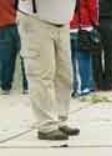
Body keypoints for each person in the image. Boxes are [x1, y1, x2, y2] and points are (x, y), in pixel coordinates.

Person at [16, 0, 81, 140]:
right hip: (36, 21)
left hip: (62, 23)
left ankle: (59, 119)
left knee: (64, 75)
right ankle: (46, 125)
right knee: (41, 75)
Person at [70, 0, 98, 97]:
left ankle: (73, 87)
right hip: (83, 25)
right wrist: (95, 22)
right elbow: (93, 6)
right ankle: (84, 87)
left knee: (70, 59)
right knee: (84, 57)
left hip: (66, 25)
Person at [93, 0, 112, 91]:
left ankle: (98, 83)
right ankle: (109, 83)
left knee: (95, 53)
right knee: (110, 53)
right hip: (108, 17)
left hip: (93, 17)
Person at [0, 0, 28, 95]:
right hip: (20, 24)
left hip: (4, 26)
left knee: (6, 59)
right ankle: (27, 86)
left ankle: (6, 86)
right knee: (25, 57)